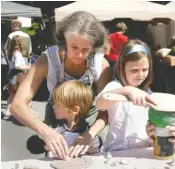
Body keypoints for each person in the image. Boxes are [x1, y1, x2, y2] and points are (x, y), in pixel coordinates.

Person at [10, 11, 112, 160]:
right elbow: (17, 105)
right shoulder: (47, 60)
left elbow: (106, 111)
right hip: (56, 119)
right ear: (64, 36)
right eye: (74, 47)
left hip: (90, 123)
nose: (79, 55)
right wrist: (45, 131)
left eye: (86, 49)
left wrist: (90, 134)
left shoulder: (100, 64)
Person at [96, 39, 156, 151]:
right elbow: (100, 103)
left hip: (143, 150)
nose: (140, 75)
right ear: (122, 68)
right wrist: (127, 90)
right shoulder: (115, 86)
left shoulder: (147, 91)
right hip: (116, 151)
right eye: (134, 70)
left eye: (145, 69)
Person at [27, 80, 101, 157]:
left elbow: (95, 153)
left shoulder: (87, 133)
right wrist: (45, 146)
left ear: (75, 110)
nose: (53, 107)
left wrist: (88, 149)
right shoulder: (53, 127)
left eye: (58, 105)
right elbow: (31, 146)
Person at [2, 35, 31, 120]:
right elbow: (17, 66)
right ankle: (26, 114)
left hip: (12, 75)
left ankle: (8, 112)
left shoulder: (11, 53)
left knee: (12, 95)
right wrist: (27, 67)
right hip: (18, 75)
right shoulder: (18, 54)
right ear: (20, 43)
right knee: (23, 95)